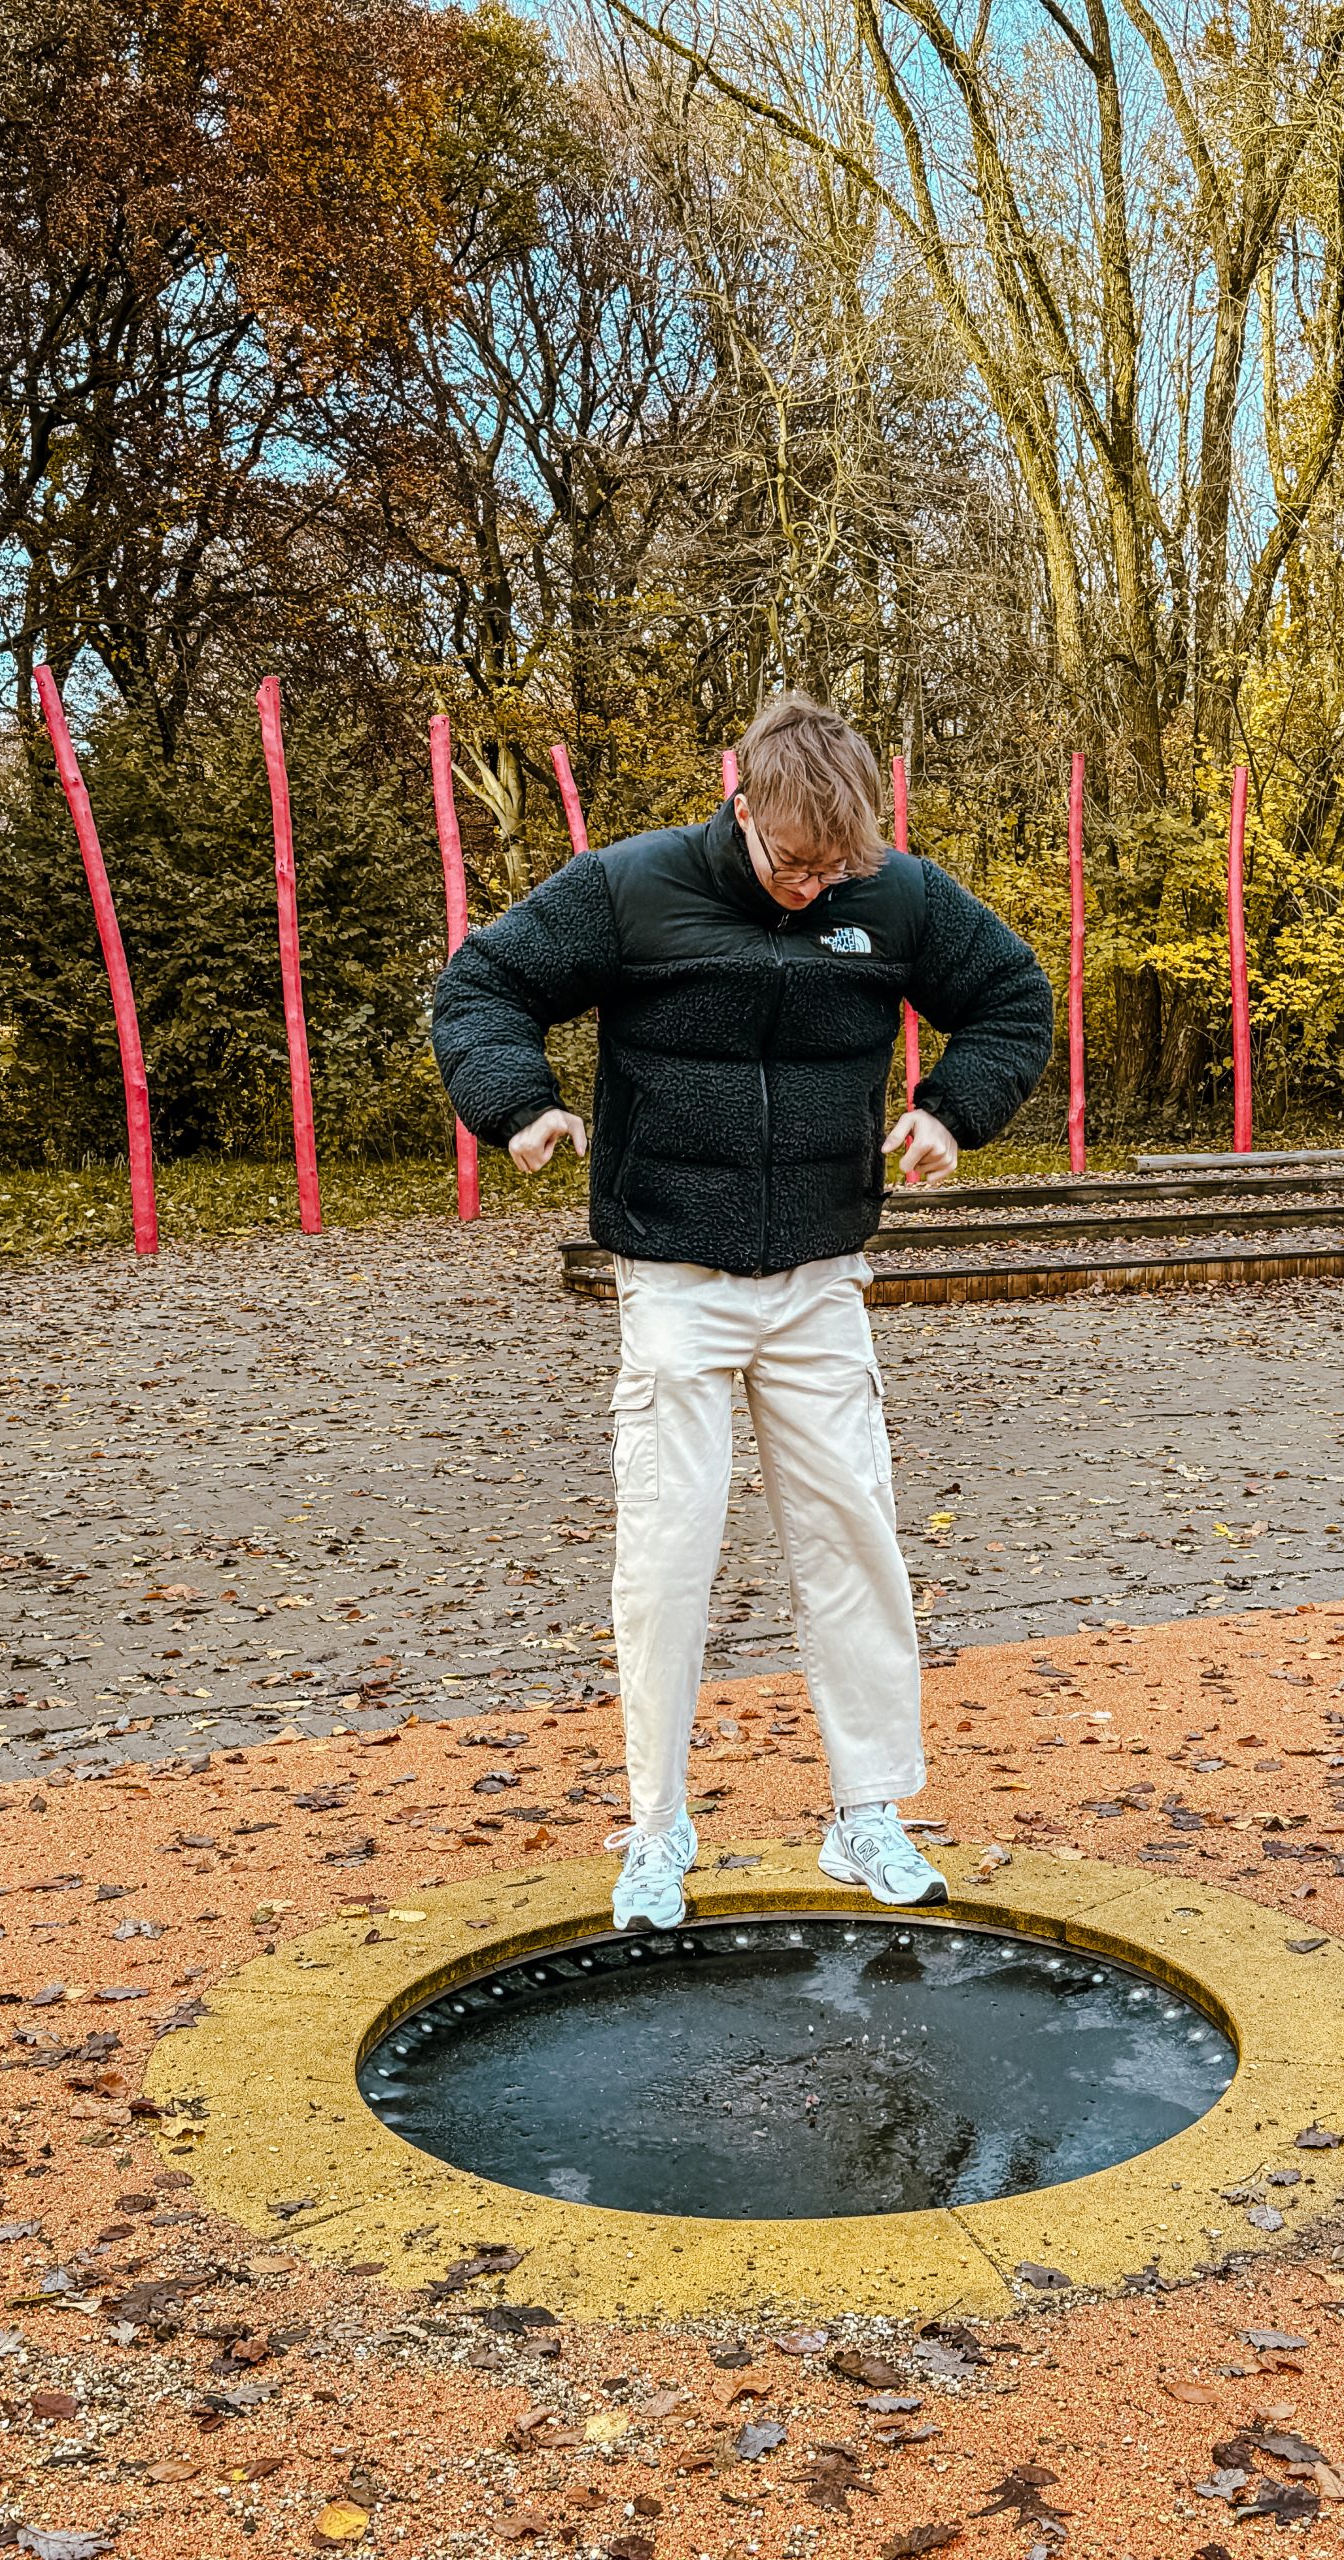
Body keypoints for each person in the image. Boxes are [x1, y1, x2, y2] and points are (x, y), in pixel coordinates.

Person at [432, 693, 1052, 1929]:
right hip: (675, 1279)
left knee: (855, 1542)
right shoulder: (631, 887)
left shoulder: (900, 897)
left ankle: (867, 1811)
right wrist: (515, 1104)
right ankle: (657, 1827)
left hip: (822, 1279)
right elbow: (483, 985)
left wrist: (951, 1108)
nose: (815, 886)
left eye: (839, 866)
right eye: (793, 861)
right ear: (746, 808)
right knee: (668, 1558)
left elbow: (1013, 998)